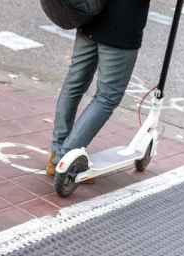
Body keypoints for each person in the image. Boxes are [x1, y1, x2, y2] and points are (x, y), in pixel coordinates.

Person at [47, 0, 151, 177]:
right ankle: (65, 158)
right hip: (121, 28)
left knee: (74, 84)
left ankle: (57, 151)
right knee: (107, 97)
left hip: (89, 18)